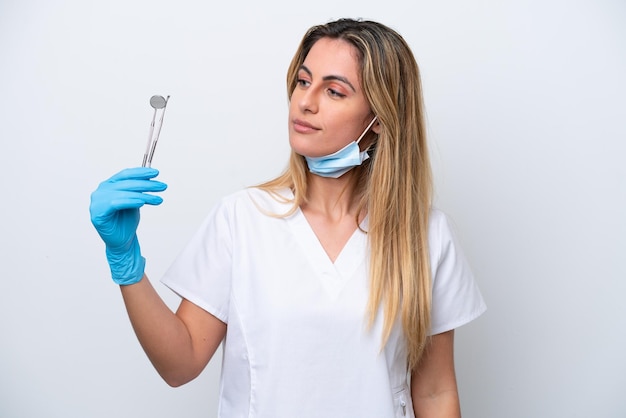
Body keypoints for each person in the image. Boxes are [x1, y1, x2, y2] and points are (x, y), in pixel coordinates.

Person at [90, 18, 486, 418]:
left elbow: (435, 392)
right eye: (302, 81)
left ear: (380, 119)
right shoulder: (241, 219)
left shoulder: (427, 237)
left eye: (333, 91)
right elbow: (181, 363)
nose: (306, 101)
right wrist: (126, 263)